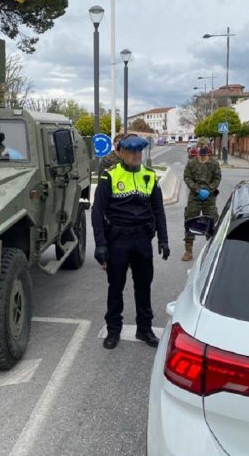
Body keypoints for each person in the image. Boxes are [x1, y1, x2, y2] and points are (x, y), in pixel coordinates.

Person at [91, 135, 169, 350]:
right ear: (121, 152)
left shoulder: (150, 177)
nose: (136, 155)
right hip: (118, 240)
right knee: (115, 287)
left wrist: (163, 239)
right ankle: (113, 330)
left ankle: (144, 329)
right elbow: (97, 213)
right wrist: (100, 243)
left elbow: (158, 211)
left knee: (143, 287)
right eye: (131, 151)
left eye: (139, 151)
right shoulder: (110, 176)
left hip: (142, 240)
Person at [182, 137, 221, 262]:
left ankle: (211, 250)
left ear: (207, 148)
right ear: (197, 148)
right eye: (200, 147)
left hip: (209, 198)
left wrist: (209, 189)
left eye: (205, 147)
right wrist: (197, 190)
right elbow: (187, 177)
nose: (202, 149)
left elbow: (217, 177)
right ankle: (188, 251)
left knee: (211, 222)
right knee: (190, 220)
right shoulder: (192, 163)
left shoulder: (214, 163)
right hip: (195, 197)